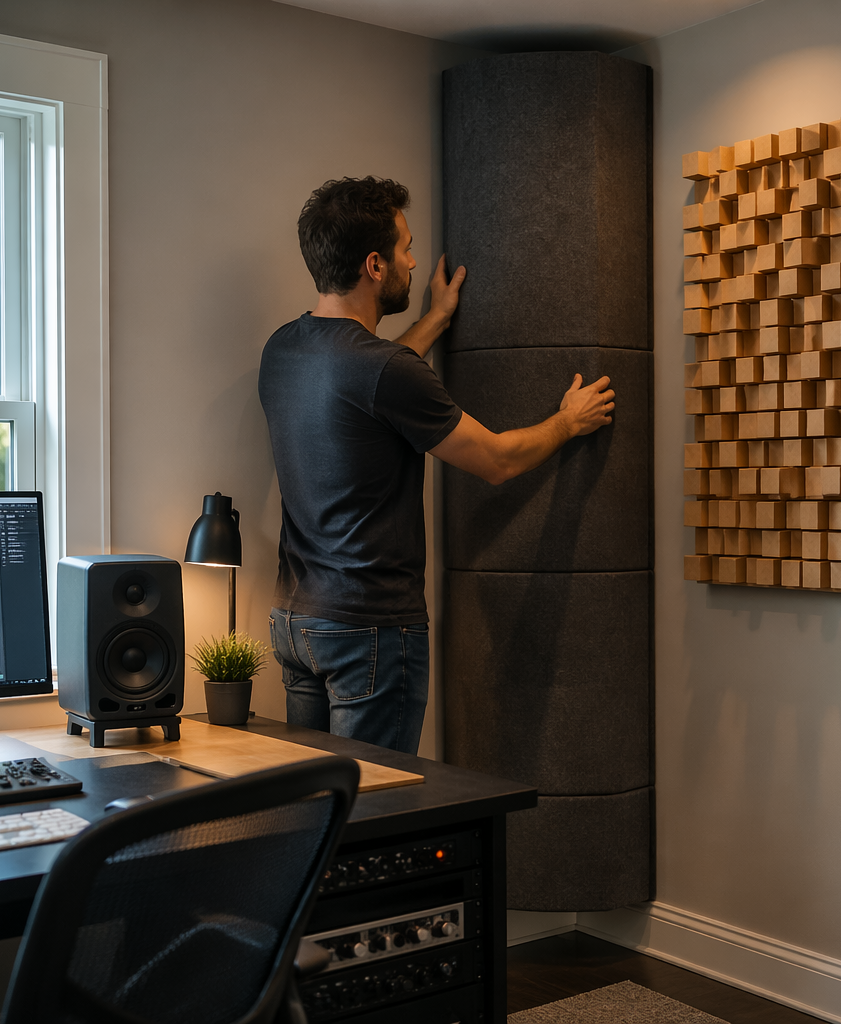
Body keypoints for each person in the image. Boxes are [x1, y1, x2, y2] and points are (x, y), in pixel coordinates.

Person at [258, 176, 614, 754]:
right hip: (368, 630)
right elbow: (497, 460)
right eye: (405, 248)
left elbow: (370, 386)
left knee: (317, 806)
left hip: (297, 625)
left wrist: (436, 320)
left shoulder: (283, 349)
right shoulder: (385, 370)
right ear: (375, 265)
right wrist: (568, 422)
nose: (414, 260)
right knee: (375, 811)